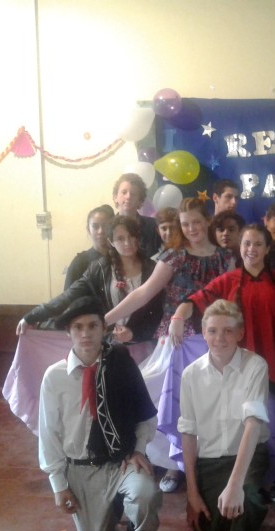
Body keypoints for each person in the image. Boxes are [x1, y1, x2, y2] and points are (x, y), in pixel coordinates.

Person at [171, 224, 275, 503]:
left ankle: (269, 480)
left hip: (270, 366)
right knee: (236, 425)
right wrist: (177, 317)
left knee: (271, 426)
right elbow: (196, 301)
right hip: (233, 366)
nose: (251, 249)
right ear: (240, 247)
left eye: (258, 244)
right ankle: (238, 479)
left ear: (268, 248)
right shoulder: (228, 281)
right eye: (246, 243)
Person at [104, 196, 235, 493]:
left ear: (208, 221)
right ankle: (174, 465)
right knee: (167, 401)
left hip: (213, 342)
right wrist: (106, 319)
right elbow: (143, 293)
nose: (192, 229)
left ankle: (207, 464)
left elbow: (228, 301)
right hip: (176, 339)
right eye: (185, 224)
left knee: (208, 406)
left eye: (197, 222)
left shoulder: (225, 257)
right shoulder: (174, 256)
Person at [38, 296, 162, 531]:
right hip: (81, 468)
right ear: (68, 332)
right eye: (78, 327)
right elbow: (48, 433)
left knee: (145, 494)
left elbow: (145, 414)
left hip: (121, 462)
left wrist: (138, 450)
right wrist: (59, 485)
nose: (86, 333)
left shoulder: (121, 364)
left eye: (93, 326)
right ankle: (112, 507)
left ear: (103, 329)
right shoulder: (54, 377)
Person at [179, 300, 271, 531]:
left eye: (228, 331)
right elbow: (188, 433)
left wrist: (235, 485)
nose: (220, 338)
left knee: (246, 498)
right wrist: (192, 493)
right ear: (203, 333)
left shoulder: (255, 365)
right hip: (210, 460)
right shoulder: (190, 374)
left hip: (248, 456)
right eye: (212, 331)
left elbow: (253, 424)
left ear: (240, 333)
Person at [18, 216, 164, 344]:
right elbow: (69, 296)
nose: (128, 242)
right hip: (107, 344)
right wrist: (31, 317)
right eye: (120, 238)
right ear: (111, 242)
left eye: (132, 236)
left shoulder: (154, 269)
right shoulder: (99, 268)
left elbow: (159, 313)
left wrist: (134, 334)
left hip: (144, 346)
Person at [64, 204, 114, 289]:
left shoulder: (119, 258)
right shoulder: (80, 262)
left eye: (105, 226)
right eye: (95, 226)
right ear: (88, 229)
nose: (101, 231)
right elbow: (68, 294)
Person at [112, 173, 160, 258]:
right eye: (124, 192)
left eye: (133, 193)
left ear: (140, 200)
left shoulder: (153, 225)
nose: (128, 197)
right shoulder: (108, 228)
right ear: (116, 197)